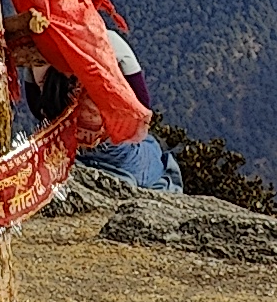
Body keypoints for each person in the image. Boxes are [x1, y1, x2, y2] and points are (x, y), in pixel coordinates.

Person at [24, 29, 185, 195]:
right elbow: (142, 105)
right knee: (153, 152)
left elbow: (37, 108)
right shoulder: (109, 41)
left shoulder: (39, 47)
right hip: (111, 148)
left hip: (60, 145)